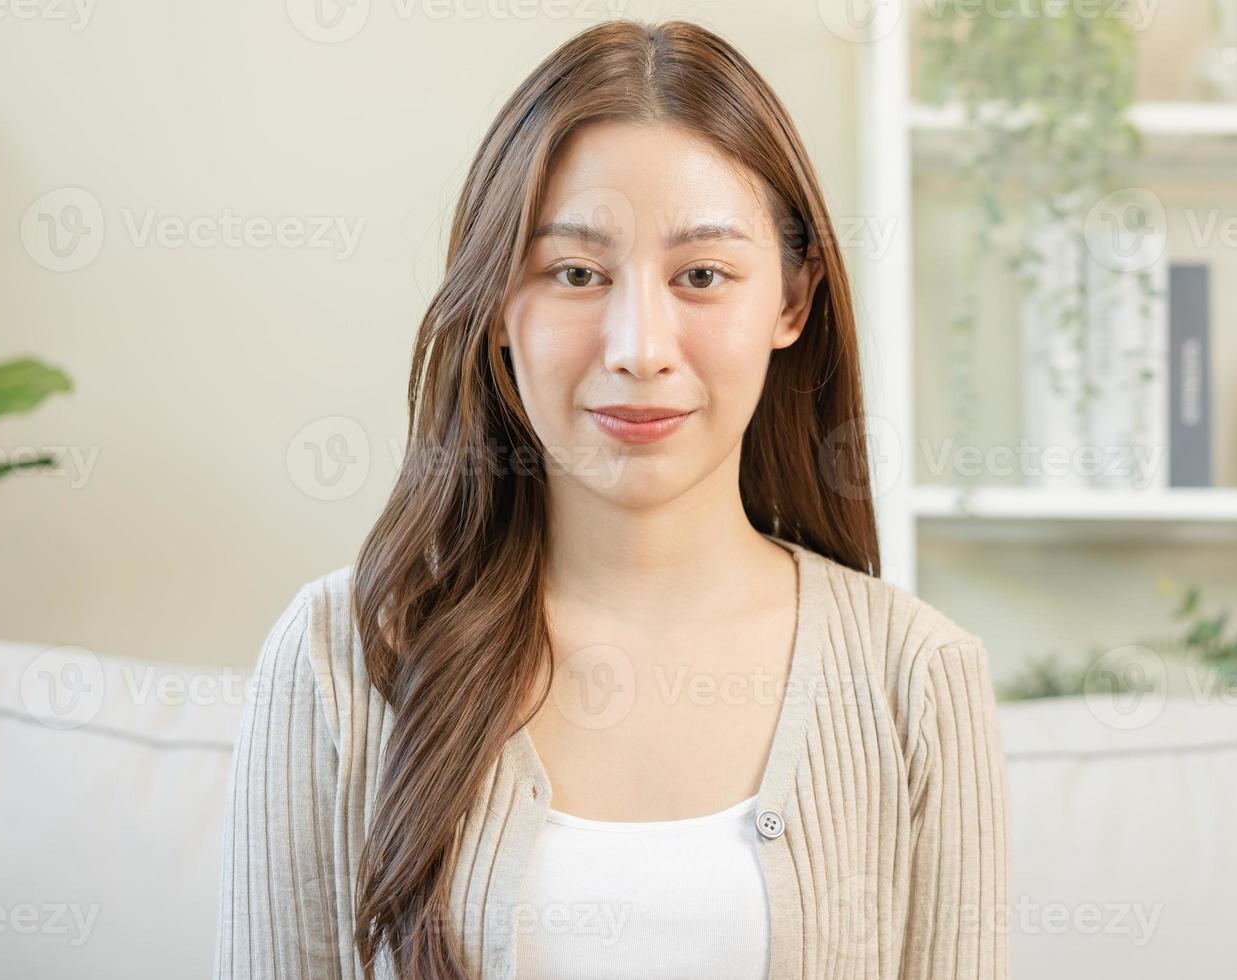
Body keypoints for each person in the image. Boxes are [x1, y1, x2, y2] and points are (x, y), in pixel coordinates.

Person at [216, 18, 1009, 980]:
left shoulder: (918, 677)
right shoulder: (338, 656)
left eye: (703, 275)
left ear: (791, 302)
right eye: (577, 274)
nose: (640, 345)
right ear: (500, 302)